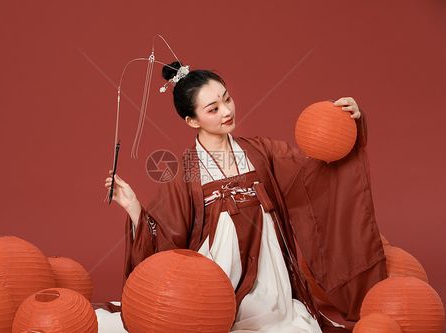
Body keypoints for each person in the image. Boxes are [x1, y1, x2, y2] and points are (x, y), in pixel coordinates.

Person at [101, 61, 387, 333]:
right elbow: (166, 237)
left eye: (227, 99)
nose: (226, 111)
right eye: (213, 109)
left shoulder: (262, 151)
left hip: (270, 279)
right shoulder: (187, 171)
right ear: (191, 120)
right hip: (217, 279)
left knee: (287, 324)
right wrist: (134, 207)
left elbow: (314, 173)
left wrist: (347, 126)